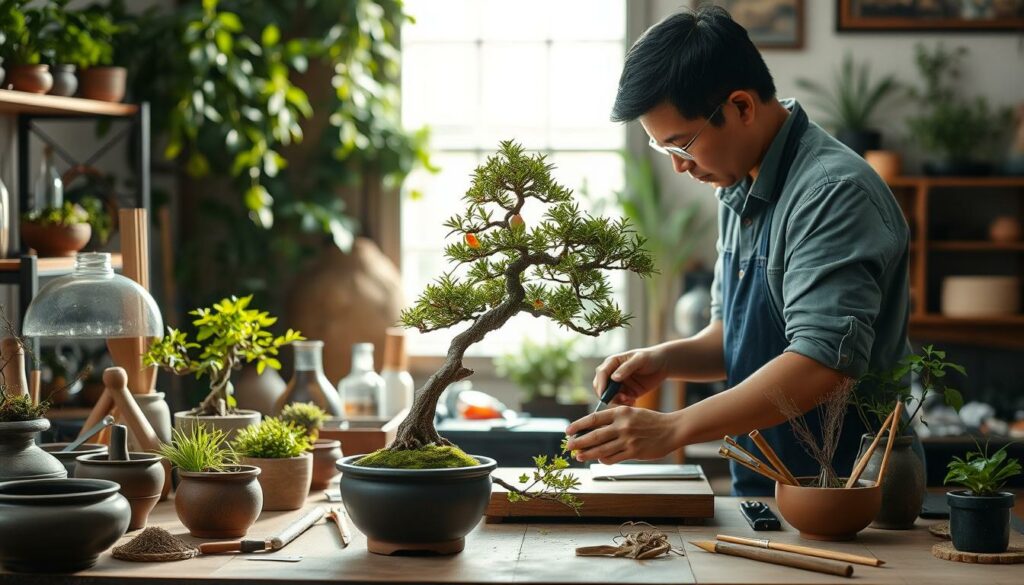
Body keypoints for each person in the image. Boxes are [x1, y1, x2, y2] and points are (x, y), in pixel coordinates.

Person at [564, 6, 912, 496]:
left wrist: (672, 427)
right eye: (667, 152)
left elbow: (821, 363)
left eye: (682, 146)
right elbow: (736, 337)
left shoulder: (833, 193)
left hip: (848, 492)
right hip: (770, 479)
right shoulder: (736, 184)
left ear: (742, 107)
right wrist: (663, 360)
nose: (679, 168)